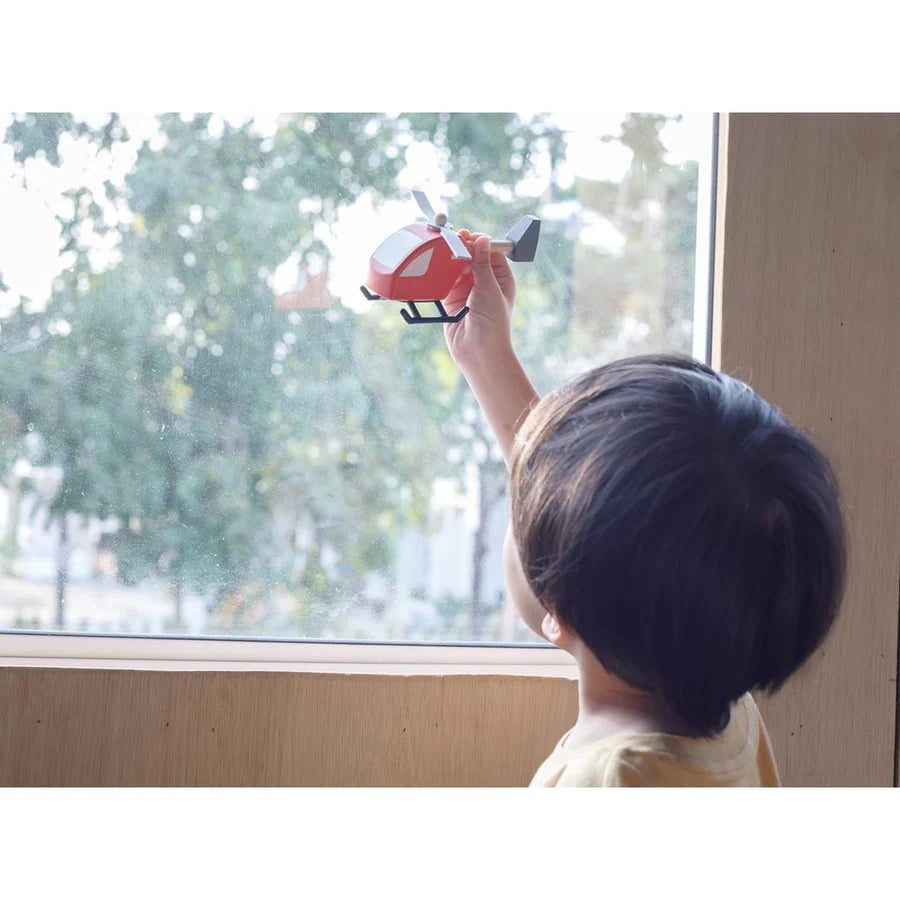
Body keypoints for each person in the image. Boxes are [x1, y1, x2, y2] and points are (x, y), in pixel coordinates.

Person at [440, 231, 846, 787]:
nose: (525, 496)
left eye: (525, 517)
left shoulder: (612, 784)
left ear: (560, 605)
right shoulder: (722, 708)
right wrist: (487, 355)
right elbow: (594, 526)